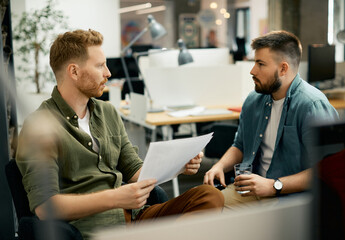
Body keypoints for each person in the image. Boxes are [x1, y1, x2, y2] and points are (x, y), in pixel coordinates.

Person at [16, 29, 224, 239]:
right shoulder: (39, 126)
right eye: (99, 66)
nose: (108, 73)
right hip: (93, 229)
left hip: (136, 218)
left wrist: (179, 166)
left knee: (209, 196)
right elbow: (45, 207)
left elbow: (135, 171)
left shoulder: (108, 113)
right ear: (74, 71)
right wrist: (115, 198)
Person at [203, 30, 339, 208]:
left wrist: (274, 185)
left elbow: (329, 169)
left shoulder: (311, 105)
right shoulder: (254, 100)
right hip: (251, 191)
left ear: (283, 68)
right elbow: (241, 146)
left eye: (260, 64)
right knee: (203, 209)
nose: (252, 71)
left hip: (292, 198)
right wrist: (219, 167)